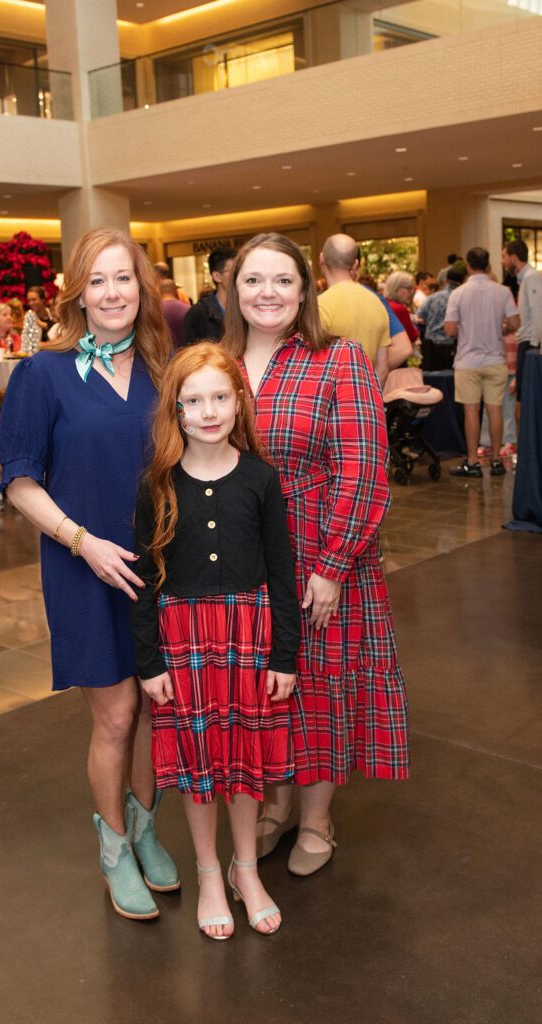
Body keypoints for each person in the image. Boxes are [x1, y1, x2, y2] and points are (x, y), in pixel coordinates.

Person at [0, 228, 177, 922]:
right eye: (97, 280)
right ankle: (112, 848)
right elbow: (18, 479)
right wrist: (82, 542)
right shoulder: (43, 373)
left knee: (158, 710)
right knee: (117, 714)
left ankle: (145, 828)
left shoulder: (163, 367)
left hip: (159, 566)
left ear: (142, 288)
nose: (112, 293)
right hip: (83, 565)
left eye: (123, 278)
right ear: (77, 291)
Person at [222, 232, 409, 877]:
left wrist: (333, 565)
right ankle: (273, 807)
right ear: (234, 289)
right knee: (259, 694)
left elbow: (365, 468)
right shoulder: (214, 362)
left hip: (317, 553)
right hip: (238, 560)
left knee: (320, 688)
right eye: (254, 280)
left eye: (282, 280)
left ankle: (318, 817)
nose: (267, 292)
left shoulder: (339, 360)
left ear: (306, 290)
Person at [132, 344, 300, 939]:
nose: (208, 411)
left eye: (220, 398)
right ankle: (209, 872)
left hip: (250, 637)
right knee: (201, 764)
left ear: (239, 402)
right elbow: (146, 581)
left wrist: (284, 654)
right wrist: (149, 661)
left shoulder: (261, 477)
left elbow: (283, 572)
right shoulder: (159, 483)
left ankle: (245, 870)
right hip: (184, 642)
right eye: (194, 400)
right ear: (176, 411)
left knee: (246, 762)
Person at [444, 246, 519, 478]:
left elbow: (449, 329)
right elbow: (515, 323)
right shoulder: (503, 291)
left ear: (468, 265)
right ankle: (497, 460)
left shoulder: (458, 293)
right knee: (495, 410)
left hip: (467, 361)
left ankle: (473, 462)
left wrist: (464, 328)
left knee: (471, 411)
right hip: (495, 359)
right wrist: (501, 326)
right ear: (488, 266)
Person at [318, 233, 391, 385]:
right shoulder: (377, 304)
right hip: (365, 403)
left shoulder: (319, 306)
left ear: (321, 259)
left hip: (331, 404)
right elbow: (382, 370)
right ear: (356, 264)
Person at [500, 240, 542, 416]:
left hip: (531, 346)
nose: (502, 261)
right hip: (529, 344)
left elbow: (539, 315)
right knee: (523, 396)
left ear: (513, 258)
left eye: (504, 256)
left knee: (525, 397)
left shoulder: (532, 278)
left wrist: (536, 349)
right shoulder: (526, 279)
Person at [181, 248, 236, 346]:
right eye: (233, 271)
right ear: (217, 276)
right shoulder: (198, 313)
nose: (238, 275)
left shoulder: (247, 308)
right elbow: (189, 355)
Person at [418, 263, 466, 371]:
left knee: (432, 380)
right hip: (454, 344)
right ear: (463, 281)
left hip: (431, 344)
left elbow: (420, 316)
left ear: (446, 281)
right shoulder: (463, 298)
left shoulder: (433, 297)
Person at [383, 272, 420, 345]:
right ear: (396, 288)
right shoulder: (399, 309)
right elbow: (412, 336)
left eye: (413, 289)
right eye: (409, 288)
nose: (412, 292)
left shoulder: (382, 303)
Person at [158, 279, 189, 348]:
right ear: (175, 291)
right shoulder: (187, 309)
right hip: (184, 353)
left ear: (159, 291)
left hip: (162, 354)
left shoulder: (155, 311)